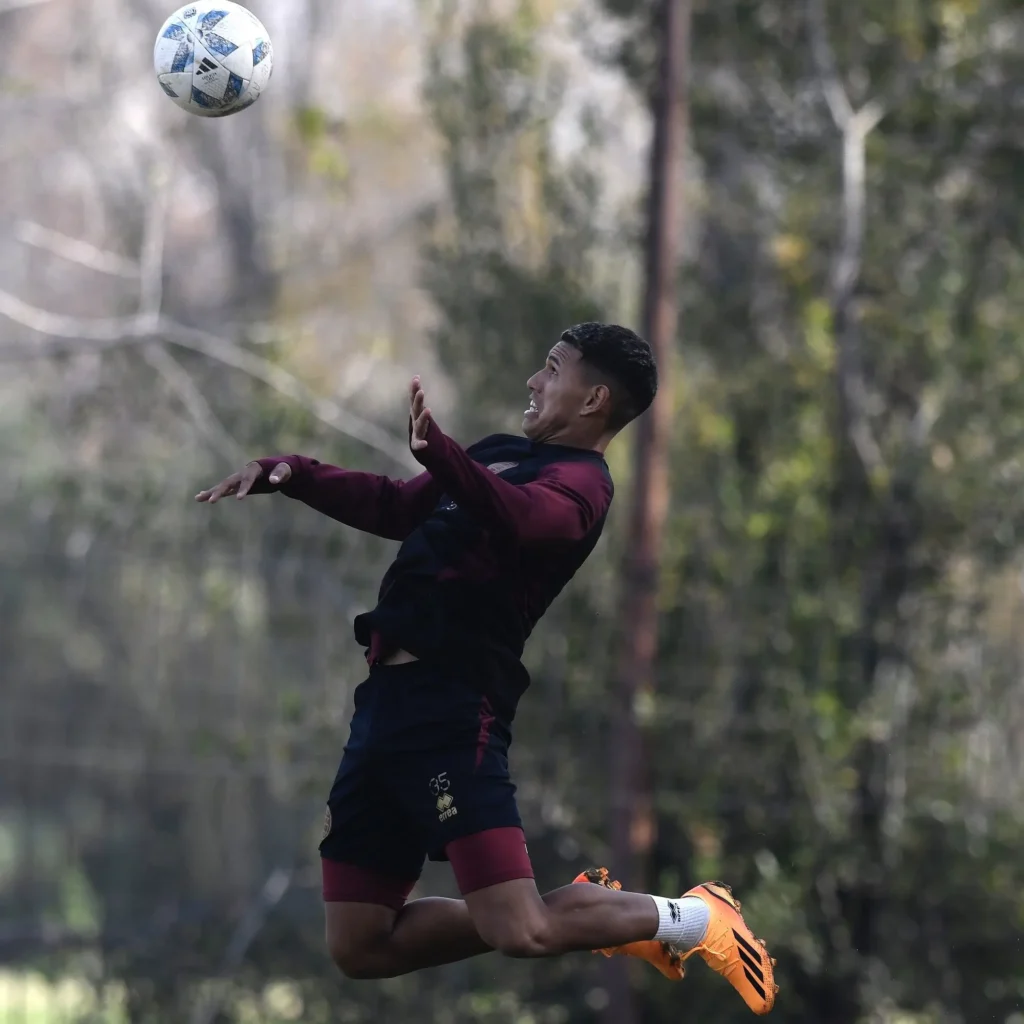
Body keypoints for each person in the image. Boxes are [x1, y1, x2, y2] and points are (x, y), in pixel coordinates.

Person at [195, 322, 777, 1015]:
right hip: (383, 709)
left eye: (551, 369)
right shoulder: (500, 455)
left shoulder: (583, 490)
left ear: (593, 399)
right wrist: (287, 472)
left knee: (525, 931)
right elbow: (394, 504)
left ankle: (696, 922)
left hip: (452, 715)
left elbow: (519, 518)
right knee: (359, 944)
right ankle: (588, 908)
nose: (534, 381)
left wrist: (442, 455)